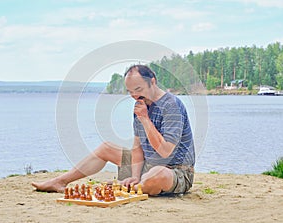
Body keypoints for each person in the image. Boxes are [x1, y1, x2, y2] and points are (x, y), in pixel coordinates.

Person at [32, 65, 195, 195]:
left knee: (156, 174)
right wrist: (134, 176)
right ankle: (60, 182)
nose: (134, 96)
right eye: (130, 92)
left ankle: (129, 187)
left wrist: (145, 119)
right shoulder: (140, 104)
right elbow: (138, 147)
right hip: (147, 166)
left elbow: (165, 151)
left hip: (175, 171)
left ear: (152, 81)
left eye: (138, 90)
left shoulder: (172, 106)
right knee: (106, 148)